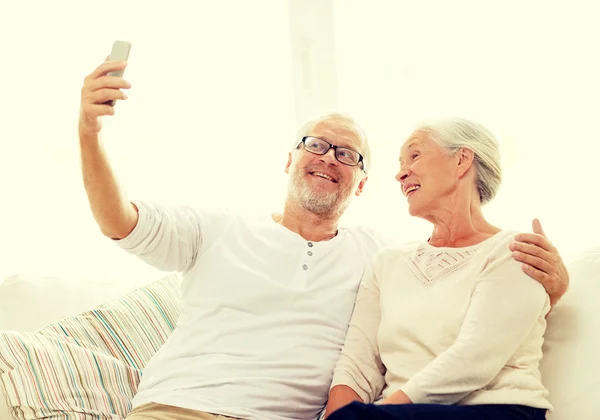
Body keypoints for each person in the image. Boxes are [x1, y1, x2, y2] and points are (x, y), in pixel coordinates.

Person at [78, 59, 568, 420]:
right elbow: (117, 220)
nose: (330, 157)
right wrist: (88, 133)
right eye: (316, 144)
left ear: (361, 184)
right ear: (289, 159)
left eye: (348, 155)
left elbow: (466, 284)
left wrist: (554, 288)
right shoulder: (219, 228)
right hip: (179, 408)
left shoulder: (376, 252)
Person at [324, 118, 558, 420]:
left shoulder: (514, 249)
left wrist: (371, 416)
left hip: (497, 411)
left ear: (461, 160)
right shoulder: (387, 262)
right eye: (400, 163)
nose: (400, 173)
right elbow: (357, 365)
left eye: (415, 155)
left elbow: (474, 360)